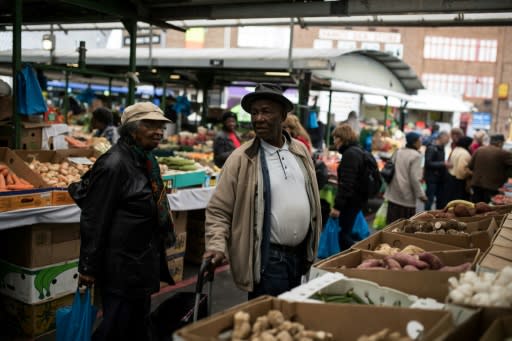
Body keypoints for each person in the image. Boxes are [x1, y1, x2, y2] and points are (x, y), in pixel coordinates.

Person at [203, 83, 322, 299]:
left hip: (300, 258)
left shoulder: (300, 151)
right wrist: (216, 244)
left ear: (283, 115)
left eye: (266, 111)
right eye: (255, 113)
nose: (258, 118)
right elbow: (219, 209)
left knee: (291, 322)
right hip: (268, 259)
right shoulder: (242, 158)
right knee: (267, 326)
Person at [78, 102, 176, 341]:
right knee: (115, 327)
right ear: (131, 129)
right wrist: (88, 267)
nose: (159, 132)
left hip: (141, 261)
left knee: (136, 327)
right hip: (121, 266)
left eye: (161, 126)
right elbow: (95, 217)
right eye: (150, 125)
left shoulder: (146, 160)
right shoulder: (114, 164)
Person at [329, 124, 367, 251]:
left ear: (342, 138)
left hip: (351, 201)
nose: (334, 141)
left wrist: (337, 207)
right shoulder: (356, 150)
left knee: (343, 235)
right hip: (356, 199)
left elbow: (347, 184)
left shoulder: (350, 154)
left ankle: (358, 255)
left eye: (335, 138)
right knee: (346, 233)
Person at [384, 132, 427, 223]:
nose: (421, 143)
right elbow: (414, 178)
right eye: (420, 140)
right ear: (414, 142)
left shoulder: (399, 151)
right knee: (403, 225)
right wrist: (421, 195)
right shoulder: (416, 156)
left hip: (394, 192)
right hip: (407, 196)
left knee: (391, 223)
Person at [469, 134, 512, 203]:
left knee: (475, 206)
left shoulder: (479, 149)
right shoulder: (504, 153)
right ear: (500, 143)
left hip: (476, 184)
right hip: (492, 186)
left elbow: (470, 166)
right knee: (488, 209)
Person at [424, 131, 450, 210]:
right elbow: (428, 163)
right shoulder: (432, 148)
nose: (448, 141)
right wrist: (443, 164)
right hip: (431, 178)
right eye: (447, 139)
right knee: (430, 199)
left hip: (439, 178)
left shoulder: (441, 148)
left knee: (439, 199)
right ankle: (425, 216)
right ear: (441, 138)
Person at [445, 136, 473, 202]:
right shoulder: (465, 154)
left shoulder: (456, 149)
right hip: (459, 181)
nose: (471, 146)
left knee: (451, 199)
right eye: (471, 144)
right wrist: (471, 173)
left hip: (451, 177)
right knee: (458, 201)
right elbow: (462, 170)